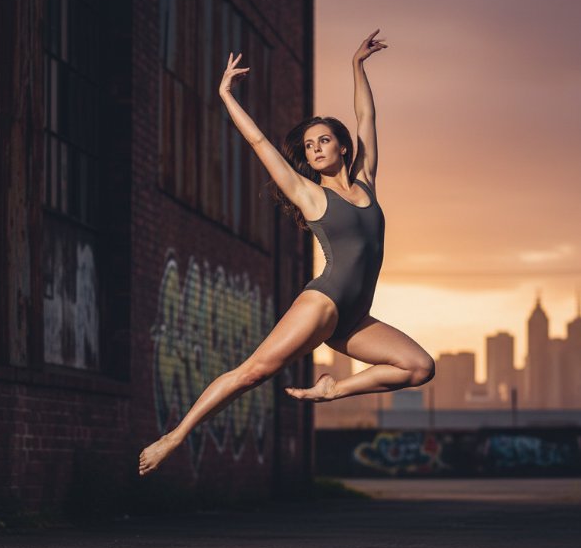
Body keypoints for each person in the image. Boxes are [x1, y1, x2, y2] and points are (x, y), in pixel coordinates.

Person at [139, 30, 435, 476]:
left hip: (355, 318)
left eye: (324, 141)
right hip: (325, 303)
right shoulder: (310, 195)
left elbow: (366, 117)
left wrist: (357, 65)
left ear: (342, 146)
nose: (315, 149)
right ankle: (175, 436)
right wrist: (225, 95)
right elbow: (260, 144)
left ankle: (333, 390)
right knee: (253, 372)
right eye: (309, 146)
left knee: (419, 367)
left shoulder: (366, 182)